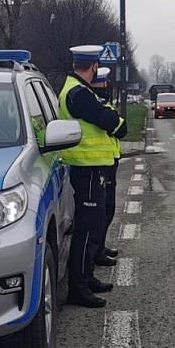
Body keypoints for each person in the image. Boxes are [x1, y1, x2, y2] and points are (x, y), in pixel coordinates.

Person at [58, 45, 127, 308]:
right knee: (87, 231)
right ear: (94, 66)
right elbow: (106, 119)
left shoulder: (78, 90)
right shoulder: (78, 94)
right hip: (86, 169)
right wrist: (117, 123)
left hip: (93, 168)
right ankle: (79, 288)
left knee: (93, 227)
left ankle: (86, 278)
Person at [90, 66, 122, 265]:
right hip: (95, 163)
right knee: (100, 213)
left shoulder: (101, 103)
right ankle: (96, 252)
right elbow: (118, 128)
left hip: (107, 161)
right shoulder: (93, 104)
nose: (106, 86)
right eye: (102, 82)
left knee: (107, 210)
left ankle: (99, 248)